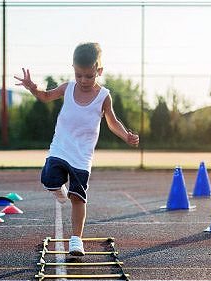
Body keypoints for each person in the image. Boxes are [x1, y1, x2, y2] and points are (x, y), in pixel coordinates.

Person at [14, 42, 139, 256]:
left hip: (82, 156)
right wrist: (33, 88)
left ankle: (76, 240)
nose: (83, 80)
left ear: (99, 71)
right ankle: (59, 191)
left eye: (89, 76)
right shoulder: (67, 88)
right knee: (48, 178)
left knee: (78, 198)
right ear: (73, 69)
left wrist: (126, 135)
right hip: (61, 148)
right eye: (79, 75)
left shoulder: (103, 96)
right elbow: (45, 96)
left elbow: (112, 122)